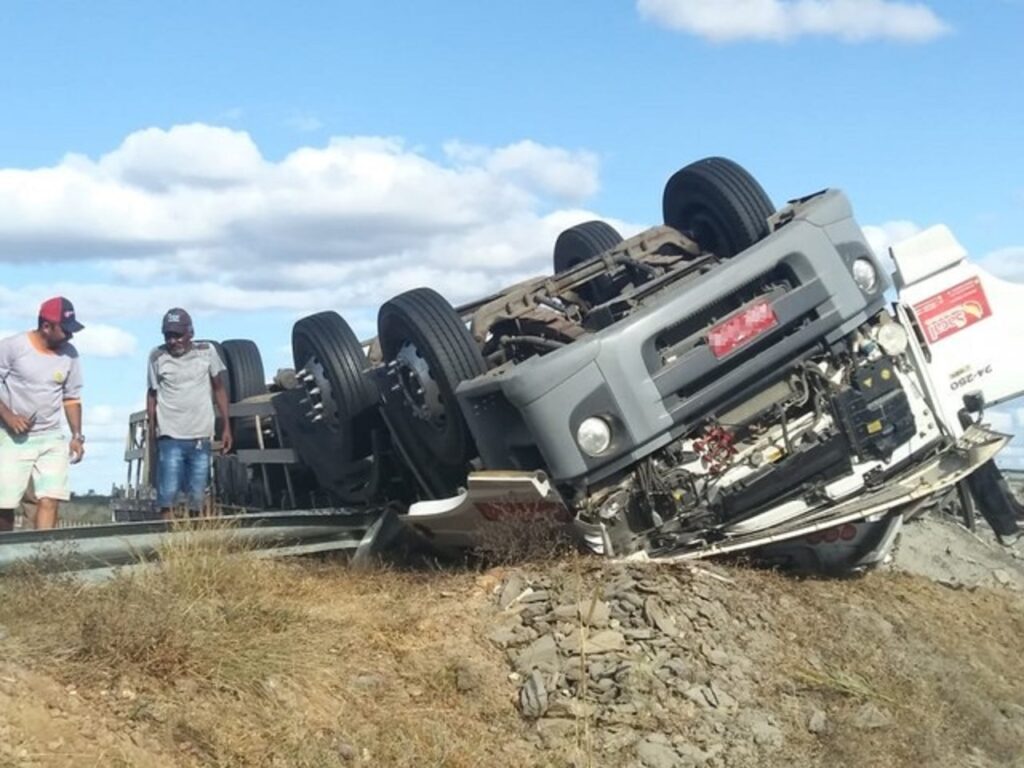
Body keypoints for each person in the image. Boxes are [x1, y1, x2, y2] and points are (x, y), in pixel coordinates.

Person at [0, 297, 86, 531]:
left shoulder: (71, 355)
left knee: (50, 498)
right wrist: (8, 416)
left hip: (51, 437)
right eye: (65, 330)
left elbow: (72, 398)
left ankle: (43, 558)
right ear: (46, 326)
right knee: (4, 504)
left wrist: (77, 436)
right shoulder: (13, 347)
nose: (70, 336)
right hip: (12, 437)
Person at [147, 308, 232, 519]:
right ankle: (170, 540)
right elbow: (152, 394)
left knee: (199, 495)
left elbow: (219, 388)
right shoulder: (157, 356)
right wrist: (152, 430)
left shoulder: (206, 352)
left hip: (200, 436)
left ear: (190, 333)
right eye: (168, 336)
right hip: (170, 435)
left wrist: (227, 427)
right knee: (167, 496)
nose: (173, 341)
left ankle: (196, 541)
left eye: (178, 335)